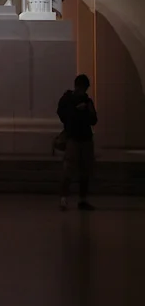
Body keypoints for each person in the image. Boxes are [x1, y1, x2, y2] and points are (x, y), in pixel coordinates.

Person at [57, 74, 98, 211]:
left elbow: (94, 119)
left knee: (84, 171)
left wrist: (86, 111)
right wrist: (76, 110)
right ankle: (64, 199)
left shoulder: (87, 101)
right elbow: (63, 115)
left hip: (84, 138)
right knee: (69, 169)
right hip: (74, 138)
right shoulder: (67, 99)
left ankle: (81, 199)